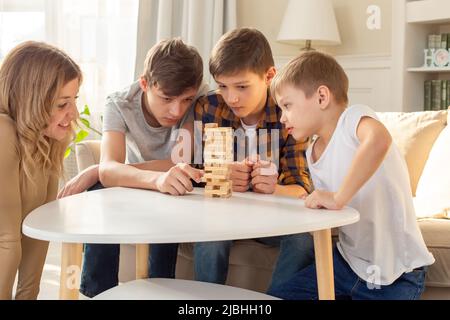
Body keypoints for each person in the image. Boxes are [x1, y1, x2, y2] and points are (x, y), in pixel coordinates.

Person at [268, 50, 435, 300]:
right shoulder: (312, 152)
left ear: (322, 96)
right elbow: (332, 209)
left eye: (287, 105)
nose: (282, 118)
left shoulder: (353, 119)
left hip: (396, 274)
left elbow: (379, 140)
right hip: (346, 265)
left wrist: (338, 197)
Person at [77, 38, 206, 298]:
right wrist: (151, 179)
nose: (177, 110)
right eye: (167, 98)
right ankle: (96, 293)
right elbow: (109, 170)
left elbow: (180, 163)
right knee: (99, 189)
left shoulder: (199, 101)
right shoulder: (119, 102)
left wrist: (103, 170)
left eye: (185, 100)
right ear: (145, 83)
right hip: (138, 186)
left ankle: (160, 290)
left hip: (182, 188)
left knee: (172, 191)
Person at [190, 28, 315, 291]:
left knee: (303, 240)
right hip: (224, 216)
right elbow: (199, 175)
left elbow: (302, 189)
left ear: (269, 76)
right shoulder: (210, 107)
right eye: (223, 86)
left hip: (273, 218)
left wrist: (273, 189)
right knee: (210, 234)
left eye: (242, 86)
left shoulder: (288, 113)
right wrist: (220, 176)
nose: (231, 97)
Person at [0, 41, 84, 299]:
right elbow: (7, 240)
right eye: (62, 104)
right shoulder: (3, 131)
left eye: (74, 101)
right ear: (30, 100)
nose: (73, 113)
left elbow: (38, 232)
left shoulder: (49, 139)